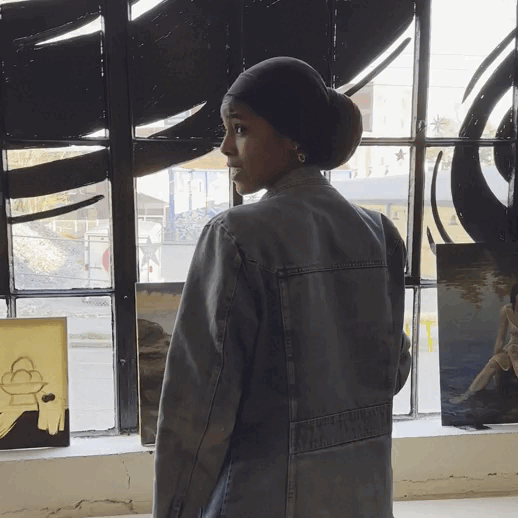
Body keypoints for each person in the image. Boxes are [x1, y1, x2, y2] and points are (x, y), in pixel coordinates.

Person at [153, 56, 410, 518]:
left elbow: (198, 411)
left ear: (292, 139)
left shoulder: (236, 236)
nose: (225, 147)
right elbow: (392, 373)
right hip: (365, 498)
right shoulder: (380, 234)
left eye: (240, 129)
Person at [451, 284, 518, 404]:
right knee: (493, 363)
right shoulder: (506, 310)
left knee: (513, 352)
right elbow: (500, 338)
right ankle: (467, 395)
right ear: (514, 298)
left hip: (515, 353)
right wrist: (496, 356)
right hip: (510, 349)